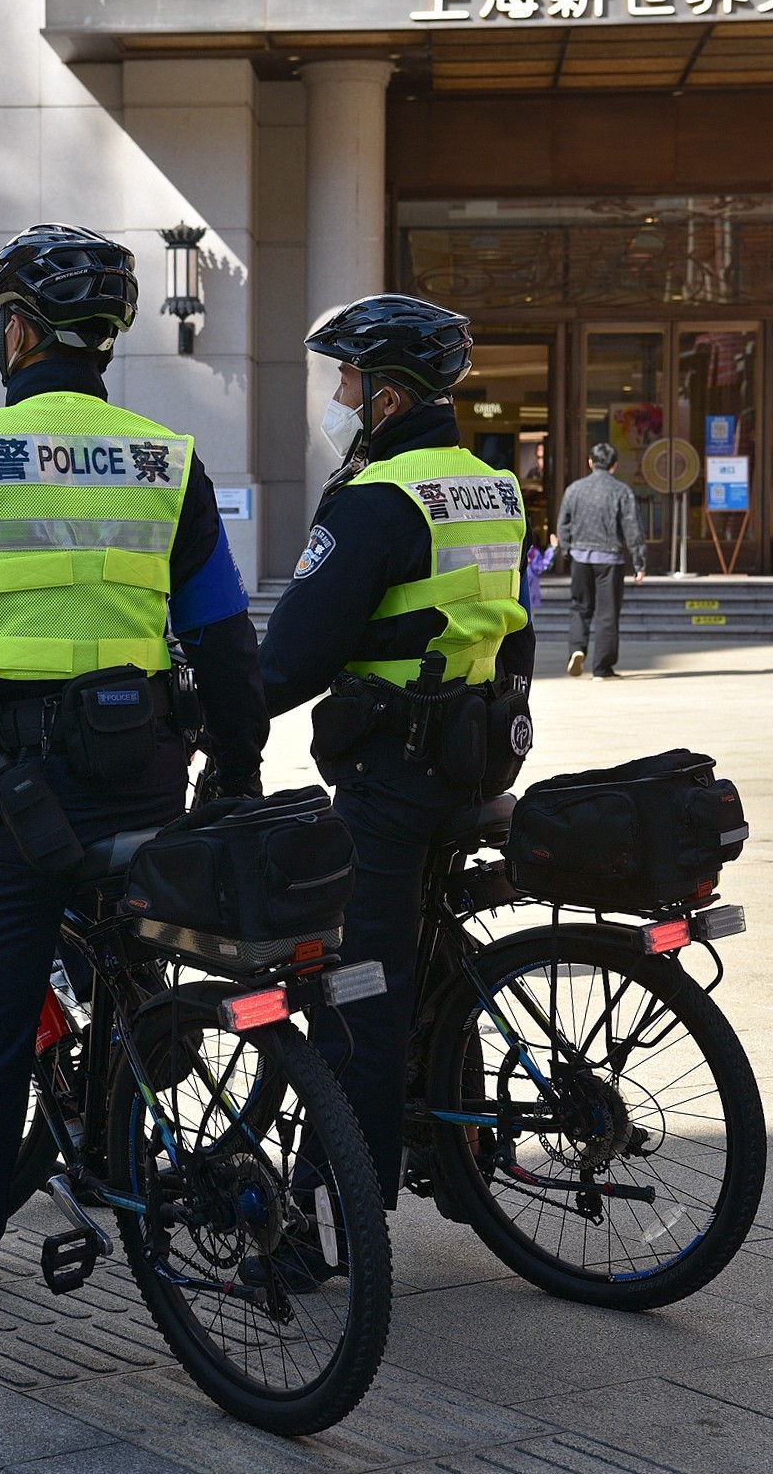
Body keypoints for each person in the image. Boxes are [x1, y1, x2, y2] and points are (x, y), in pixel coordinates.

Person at [0, 223, 268, 1410]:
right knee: (141, 979)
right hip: (145, 774)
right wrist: (232, 773)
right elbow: (224, 640)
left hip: (20, 796)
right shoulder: (165, 458)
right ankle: (136, 1139)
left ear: (19, 329)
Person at [259, 294, 535, 1219]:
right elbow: (516, 631)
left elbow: (296, 654)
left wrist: (215, 709)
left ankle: (338, 1205)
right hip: (477, 757)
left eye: (344, 378)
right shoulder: (492, 484)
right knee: (431, 959)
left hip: (391, 774)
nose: (335, 395)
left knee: (357, 993)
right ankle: (457, 1153)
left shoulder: (376, 499)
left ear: (385, 396)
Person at [556, 441, 646, 680]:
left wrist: (567, 551)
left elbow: (563, 524)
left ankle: (576, 649)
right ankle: (602, 669)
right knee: (607, 614)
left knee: (579, 607)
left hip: (580, 557)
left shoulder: (574, 489)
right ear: (614, 465)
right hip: (610, 559)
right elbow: (632, 527)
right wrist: (639, 562)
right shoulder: (621, 491)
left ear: (590, 463)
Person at [526, 530, 558, 610]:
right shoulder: (532, 551)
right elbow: (542, 565)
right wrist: (552, 549)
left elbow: (541, 565)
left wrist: (552, 549)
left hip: (526, 591)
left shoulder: (532, 551)